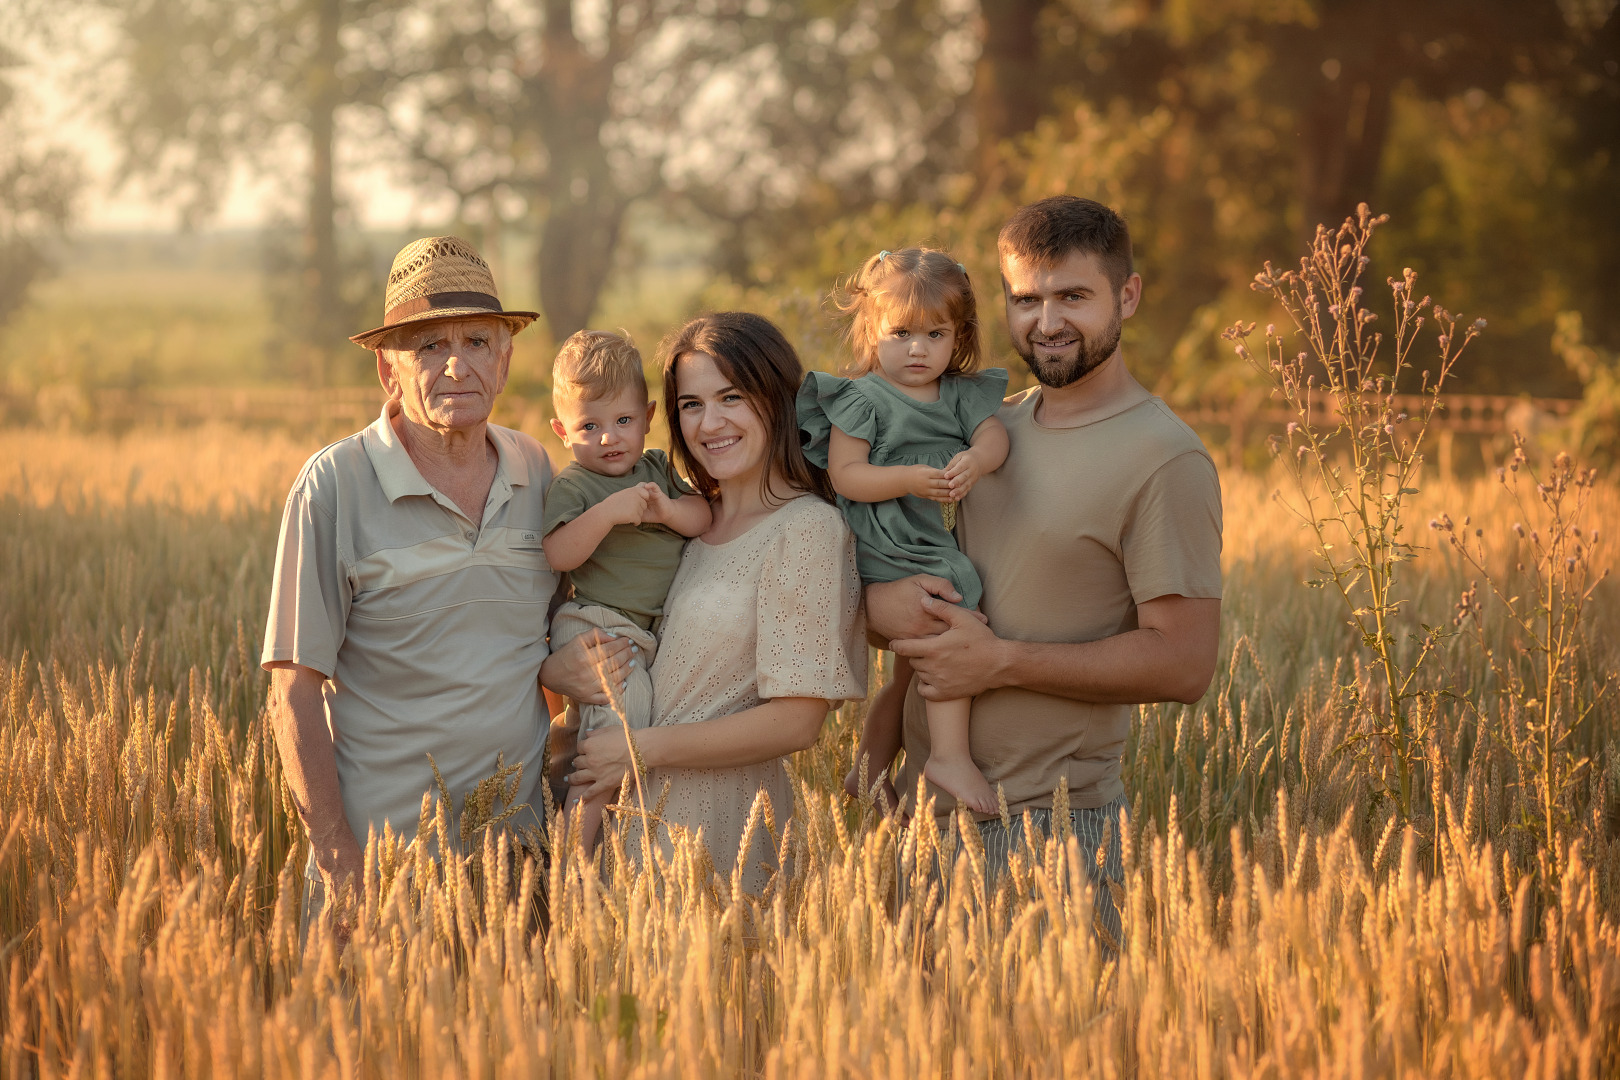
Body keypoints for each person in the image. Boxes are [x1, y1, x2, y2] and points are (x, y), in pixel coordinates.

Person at [866, 197, 1224, 944]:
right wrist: (881, 741)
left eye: (1073, 296)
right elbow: (940, 591)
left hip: (1051, 836)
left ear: (1126, 295)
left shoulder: (1164, 457)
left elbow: (1185, 662)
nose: (1046, 321)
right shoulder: (987, 430)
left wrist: (1000, 663)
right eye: (1025, 299)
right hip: (919, 822)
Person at [261, 236, 628, 928]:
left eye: (476, 341)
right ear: (387, 369)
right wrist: (338, 860)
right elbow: (293, 690)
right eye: (428, 346)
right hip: (384, 867)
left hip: (516, 865)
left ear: (505, 356)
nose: (457, 364)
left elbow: (549, 635)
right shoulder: (333, 485)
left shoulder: (534, 468)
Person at [562, 312, 866, 893]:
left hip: (716, 841)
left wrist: (637, 751)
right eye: (691, 404)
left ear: (776, 399)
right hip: (625, 841)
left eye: (732, 397)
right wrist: (558, 668)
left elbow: (797, 721)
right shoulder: (680, 519)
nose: (710, 422)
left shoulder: (805, 529)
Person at [797, 247, 1009, 814]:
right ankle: (949, 755)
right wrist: (908, 478)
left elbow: (995, 438)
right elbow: (846, 476)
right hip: (888, 536)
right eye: (901, 333)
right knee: (952, 610)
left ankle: (866, 771)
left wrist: (979, 461)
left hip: (932, 530)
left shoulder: (961, 394)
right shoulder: (863, 398)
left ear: (958, 336)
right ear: (871, 329)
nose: (919, 348)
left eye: (936, 334)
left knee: (909, 671)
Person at [542, 330, 712, 850]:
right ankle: (574, 861)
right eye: (589, 426)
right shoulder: (575, 486)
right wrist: (608, 514)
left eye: (623, 422)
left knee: (617, 733)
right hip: (597, 621)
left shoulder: (658, 469)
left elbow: (703, 515)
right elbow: (559, 555)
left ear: (649, 416)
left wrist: (667, 510)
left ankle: (598, 841)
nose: (609, 438)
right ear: (562, 431)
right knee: (620, 731)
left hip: (640, 631)